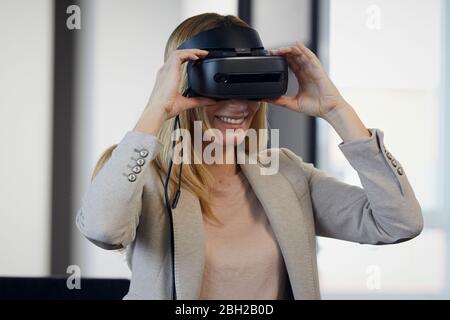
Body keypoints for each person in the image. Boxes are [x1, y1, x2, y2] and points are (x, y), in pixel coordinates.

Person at [76, 13, 423, 300]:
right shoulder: (142, 173)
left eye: (250, 85)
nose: (239, 105)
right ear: (182, 85)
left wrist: (337, 110)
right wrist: (155, 110)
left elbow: (398, 223)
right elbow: (104, 230)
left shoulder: (285, 174)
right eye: (224, 85)